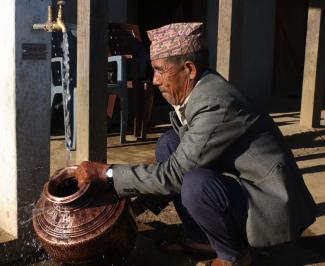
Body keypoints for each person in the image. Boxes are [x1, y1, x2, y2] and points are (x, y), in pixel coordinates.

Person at [75, 22, 317, 266]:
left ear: (189, 69)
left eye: (160, 70)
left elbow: (175, 175)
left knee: (194, 183)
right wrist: (129, 210)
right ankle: (202, 239)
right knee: (170, 143)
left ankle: (234, 256)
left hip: (271, 201)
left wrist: (106, 173)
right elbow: (174, 168)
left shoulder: (215, 103)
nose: (155, 80)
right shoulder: (199, 92)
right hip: (244, 184)